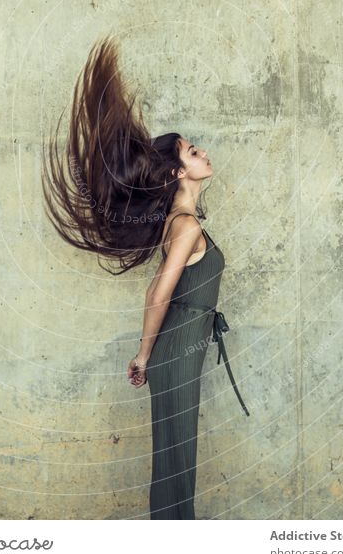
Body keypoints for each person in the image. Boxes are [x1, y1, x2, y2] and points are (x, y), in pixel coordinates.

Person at [41, 34, 249, 520]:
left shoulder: (182, 225)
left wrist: (150, 355)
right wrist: (144, 353)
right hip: (176, 352)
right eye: (193, 152)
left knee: (178, 459)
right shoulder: (185, 226)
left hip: (180, 350)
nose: (203, 154)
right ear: (178, 174)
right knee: (176, 462)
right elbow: (159, 291)